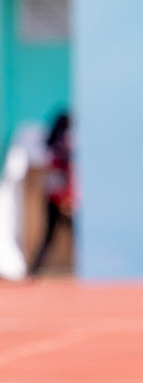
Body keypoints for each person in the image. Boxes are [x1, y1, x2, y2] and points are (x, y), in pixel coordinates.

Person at [29, 112, 74, 277]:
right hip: (62, 198)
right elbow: (62, 176)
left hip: (52, 197)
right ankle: (33, 270)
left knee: (49, 236)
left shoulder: (51, 145)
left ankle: (33, 270)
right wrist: (65, 198)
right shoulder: (64, 148)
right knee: (70, 236)